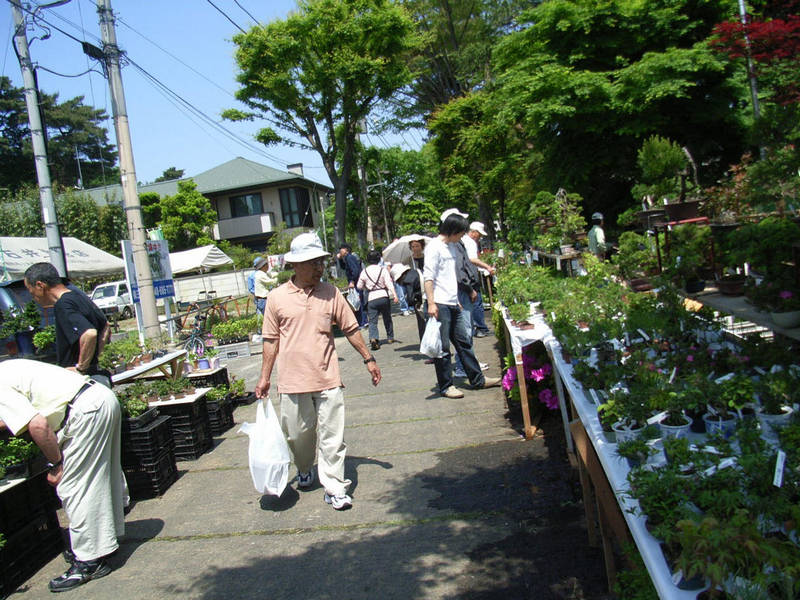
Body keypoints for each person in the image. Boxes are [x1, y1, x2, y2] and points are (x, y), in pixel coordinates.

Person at [255, 232, 381, 511]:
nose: (319, 268)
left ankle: (335, 487)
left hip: (328, 378)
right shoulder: (276, 298)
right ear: (295, 265)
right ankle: (304, 467)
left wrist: (368, 358)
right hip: (292, 381)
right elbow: (270, 340)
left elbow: (350, 327)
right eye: (313, 263)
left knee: (333, 437)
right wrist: (264, 377)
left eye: (321, 262)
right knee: (298, 436)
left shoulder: (331, 293)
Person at [0, 359, 126, 592]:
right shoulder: (6, 368)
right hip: (99, 397)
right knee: (100, 478)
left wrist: (56, 464)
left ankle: (90, 561)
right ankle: (105, 541)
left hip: (85, 411)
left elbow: (37, 425)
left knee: (75, 486)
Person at [423, 211, 501, 399]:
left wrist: (456, 299)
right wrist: (432, 303)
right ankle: (446, 386)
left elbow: (450, 277)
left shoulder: (452, 246)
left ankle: (478, 379)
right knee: (442, 348)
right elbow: (428, 277)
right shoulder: (434, 247)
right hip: (440, 304)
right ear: (452, 230)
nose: (462, 237)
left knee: (463, 342)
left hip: (452, 302)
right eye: (460, 233)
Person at [24, 263, 112, 387]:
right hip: (97, 378)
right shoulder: (80, 297)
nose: (32, 297)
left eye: (30, 291)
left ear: (40, 285)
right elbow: (106, 326)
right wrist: (93, 358)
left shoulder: (63, 304)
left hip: (80, 386)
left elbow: (89, 333)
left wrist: (80, 368)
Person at [356, 250, 398, 350]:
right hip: (383, 296)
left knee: (373, 321)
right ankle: (390, 337)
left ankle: (374, 338)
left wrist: (367, 286)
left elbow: (359, 286)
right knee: (387, 317)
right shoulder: (382, 270)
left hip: (371, 298)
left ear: (367, 260)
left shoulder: (364, 271)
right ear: (379, 259)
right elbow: (389, 283)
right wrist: (395, 295)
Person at [462, 221, 495, 338]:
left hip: (464, 276)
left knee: (469, 303)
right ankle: (481, 328)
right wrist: (487, 266)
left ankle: (474, 327)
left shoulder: (462, 240)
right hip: (470, 276)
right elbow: (472, 259)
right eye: (479, 235)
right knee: (476, 301)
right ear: (474, 232)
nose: (479, 237)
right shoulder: (470, 242)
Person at [336, 243, 367, 328]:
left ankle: (362, 322)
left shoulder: (350, 257)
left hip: (355, 283)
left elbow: (355, 270)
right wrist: (339, 259)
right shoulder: (346, 258)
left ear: (346, 250)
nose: (340, 251)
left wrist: (352, 281)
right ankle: (363, 321)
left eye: (341, 249)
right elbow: (343, 267)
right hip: (354, 282)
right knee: (357, 301)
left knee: (357, 302)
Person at [391, 263, 424, 339]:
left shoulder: (408, 280)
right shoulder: (414, 272)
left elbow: (411, 297)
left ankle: (425, 343)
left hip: (420, 301)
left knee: (422, 324)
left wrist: (409, 303)